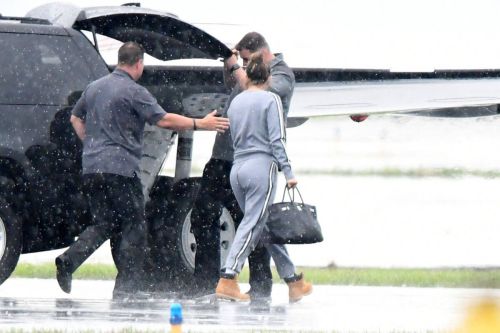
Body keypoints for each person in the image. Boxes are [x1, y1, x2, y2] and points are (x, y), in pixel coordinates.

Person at [55, 41, 229, 298]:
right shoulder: (134, 91)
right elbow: (164, 119)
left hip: (92, 168)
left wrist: (91, 145)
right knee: (134, 227)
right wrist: (200, 123)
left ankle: (69, 260)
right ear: (139, 64)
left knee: (104, 223)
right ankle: (128, 289)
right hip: (122, 171)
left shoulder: (94, 87)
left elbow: (75, 117)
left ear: (119, 60)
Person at [189, 32, 294, 300]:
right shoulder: (245, 74)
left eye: (247, 62)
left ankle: (257, 284)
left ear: (259, 54)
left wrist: (237, 67)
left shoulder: (281, 74)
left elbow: (261, 90)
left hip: (255, 160)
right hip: (225, 157)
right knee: (204, 216)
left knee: (253, 224)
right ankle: (206, 281)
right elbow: (237, 87)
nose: (244, 68)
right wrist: (230, 66)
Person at [215, 53, 312, 303]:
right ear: (268, 77)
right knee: (252, 223)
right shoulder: (271, 100)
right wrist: (288, 172)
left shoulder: (236, 102)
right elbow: (276, 139)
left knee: (262, 224)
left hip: (237, 168)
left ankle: (293, 280)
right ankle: (228, 277)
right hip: (261, 167)